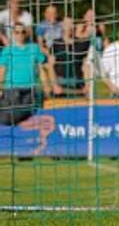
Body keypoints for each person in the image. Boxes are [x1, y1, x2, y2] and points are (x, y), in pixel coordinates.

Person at [0, 24, 56, 152]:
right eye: (17, 32)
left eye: (23, 32)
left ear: (27, 33)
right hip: (11, 89)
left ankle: (28, 144)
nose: (20, 35)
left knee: (28, 114)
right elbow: (2, 71)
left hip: (31, 89)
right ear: (13, 34)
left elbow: (41, 68)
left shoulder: (34, 48)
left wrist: (47, 85)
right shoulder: (8, 50)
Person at [49, 18, 91, 97]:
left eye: (71, 24)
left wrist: (87, 85)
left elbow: (86, 66)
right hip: (61, 82)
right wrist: (54, 85)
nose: (69, 27)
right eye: (67, 24)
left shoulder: (82, 44)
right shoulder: (56, 44)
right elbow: (51, 66)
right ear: (62, 26)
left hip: (78, 82)